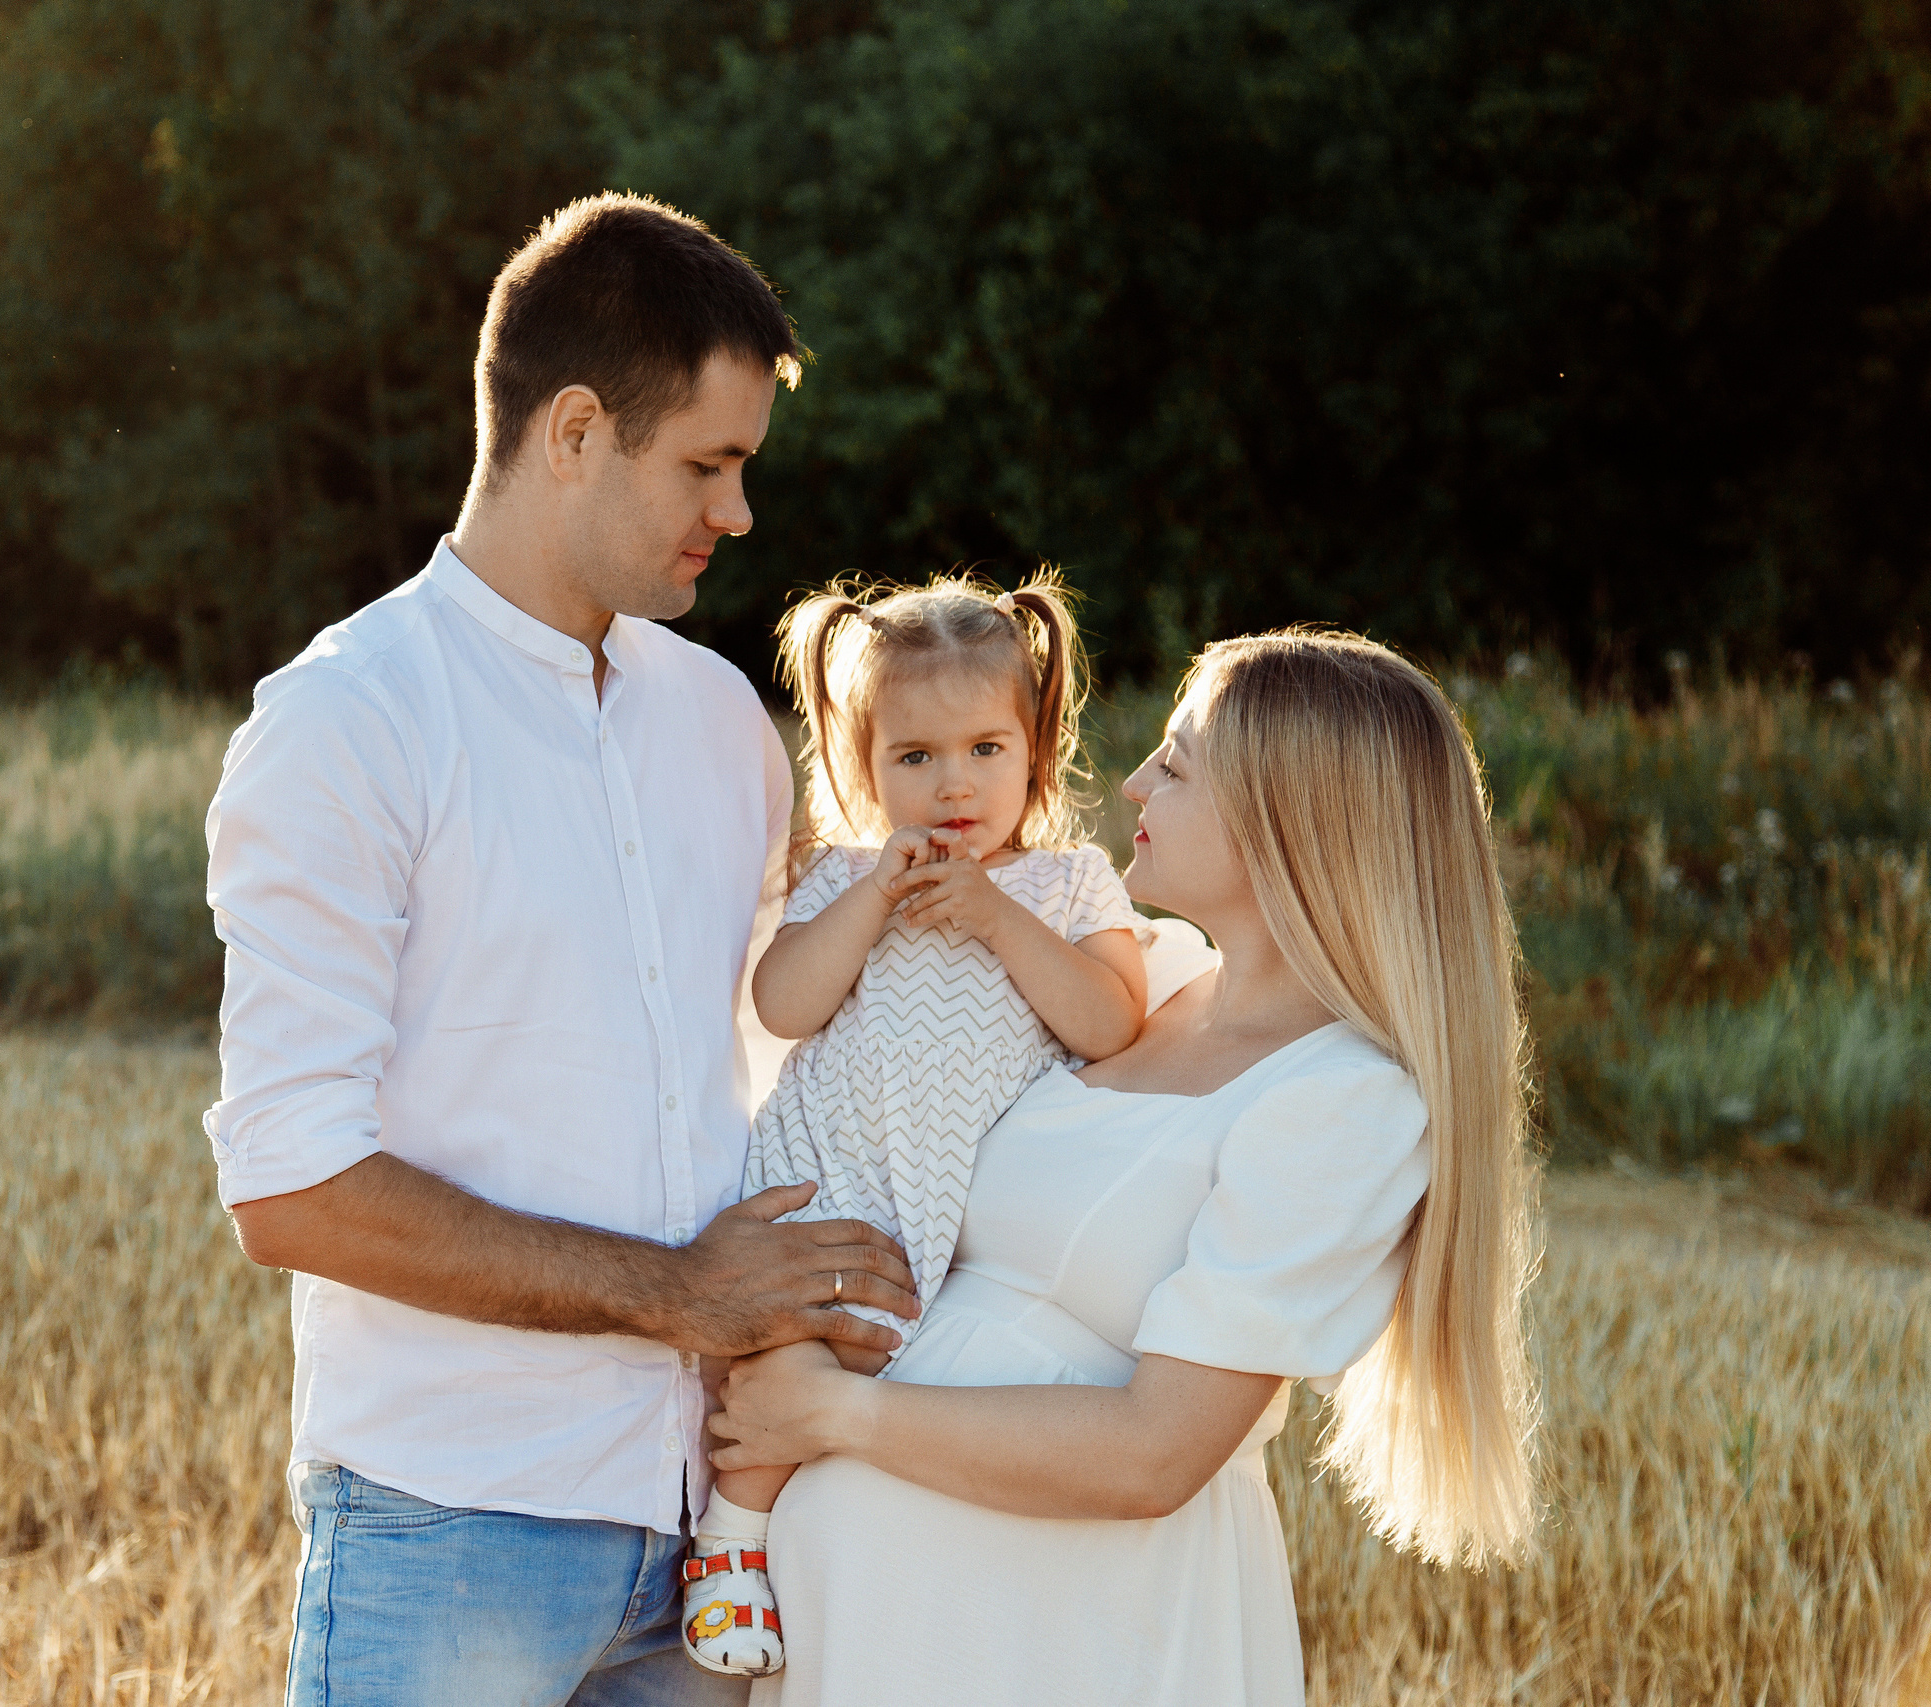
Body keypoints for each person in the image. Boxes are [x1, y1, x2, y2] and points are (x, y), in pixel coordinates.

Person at [202, 192, 923, 1707]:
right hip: (450, 1519)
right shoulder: (348, 721)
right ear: (576, 427)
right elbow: (291, 1184)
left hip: (718, 1533)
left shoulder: (730, 726)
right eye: (708, 465)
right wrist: (679, 1292)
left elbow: (793, 1049)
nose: (738, 514)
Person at [708, 629, 1542, 1707]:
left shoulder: (1343, 1099)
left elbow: (1157, 1453)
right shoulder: (1151, 980)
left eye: (1179, 763)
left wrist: (832, 1419)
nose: (1137, 777)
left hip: (1068, 1637)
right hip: (873, 1622)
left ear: (1288, 819)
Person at [679, 572, 1162, 1677]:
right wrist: (866, 902)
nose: (955, 786)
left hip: (954, 1199)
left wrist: (994, 920)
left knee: (893, 1379)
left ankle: (853, 1582)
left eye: (986, 749)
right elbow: (783, 1004)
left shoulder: (1066, 883)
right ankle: (732, 1541)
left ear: (1035, 746)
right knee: (790, 1344)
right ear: (862, 765)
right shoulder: (846, 875)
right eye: (914, 758)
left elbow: (1109, 1023)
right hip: (832, 1168)